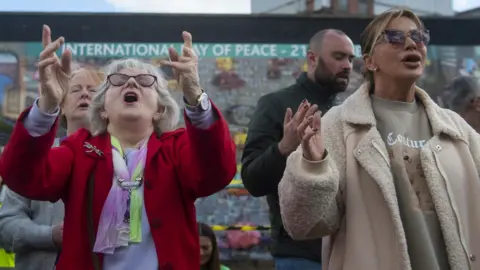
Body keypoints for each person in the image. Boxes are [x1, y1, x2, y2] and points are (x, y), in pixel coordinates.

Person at [0, 25, 236, 270]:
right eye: (118, 80)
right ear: (102, 108)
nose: (131, 83)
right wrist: (47, 105)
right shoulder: (78, 149)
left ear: (159, 109)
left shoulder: (176, 149)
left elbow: (216, 173)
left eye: (145, 81)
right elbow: (22, 177)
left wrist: (196, 96)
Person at [278, 8, 480, 270]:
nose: (411, 43)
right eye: (395, 37)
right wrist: (313, 169)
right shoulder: (339, 125)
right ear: (370, 61)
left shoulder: (456, 129)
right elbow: (304, 224)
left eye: (418, 36)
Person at [241, 29, 354, 269]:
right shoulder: (275, 104)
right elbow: (252, 180)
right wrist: (285, 146)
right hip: (300, 254)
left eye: (351, 59)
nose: (347, 65)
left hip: (347, 249)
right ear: (312, 59)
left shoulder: (349, 112)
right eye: (338, 56)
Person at [0, 27, 103, 270]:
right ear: (62, 106)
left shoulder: (121, 158)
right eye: (76, 89)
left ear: (106, 106)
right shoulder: (37, 159)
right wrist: (49, 235)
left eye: (93, 90)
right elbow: (5, 226)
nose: (85, 94)